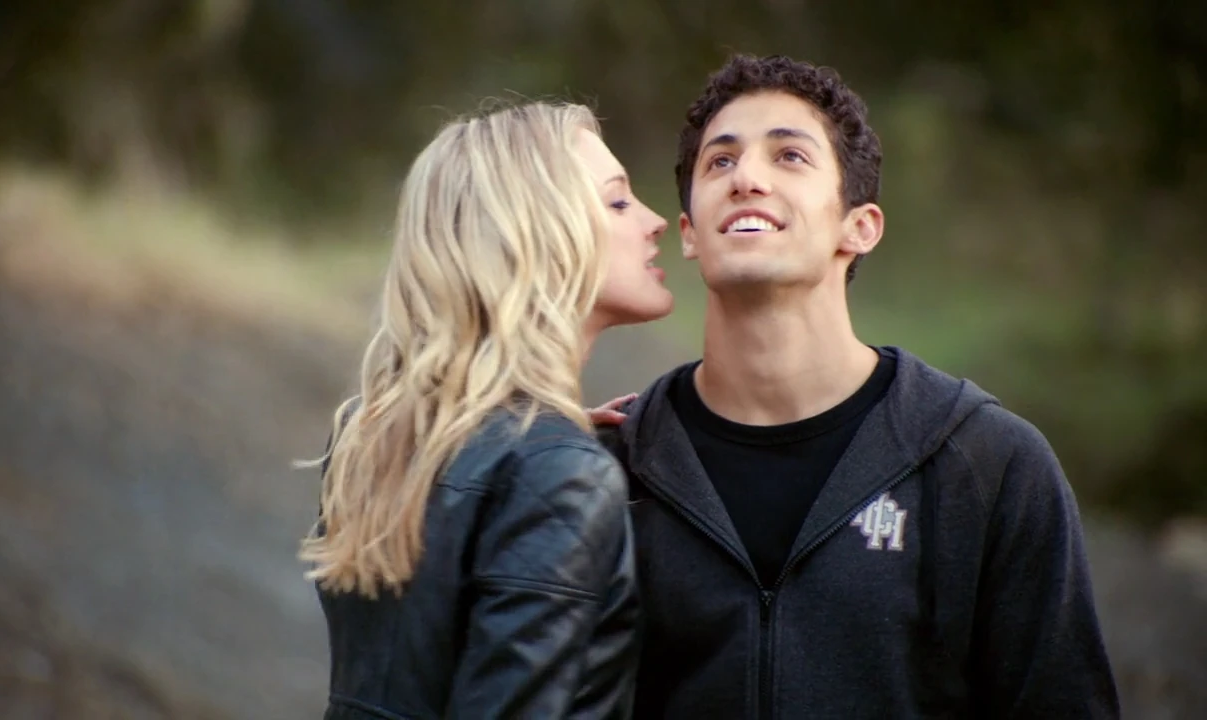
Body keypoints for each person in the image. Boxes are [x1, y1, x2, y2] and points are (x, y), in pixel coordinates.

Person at [593, 54, 1120, 718]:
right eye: (720, 161)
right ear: (691, 234)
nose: (746, 177)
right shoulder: (609, 467)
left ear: (860, 227)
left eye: (789, 156)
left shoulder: (991, 466)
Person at [299, 101, 675, 719]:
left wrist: (549, 440)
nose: (656, 221)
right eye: (617, 202)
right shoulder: (559, 473)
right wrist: (556, 462)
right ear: (538, 235)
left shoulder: (372, 431)